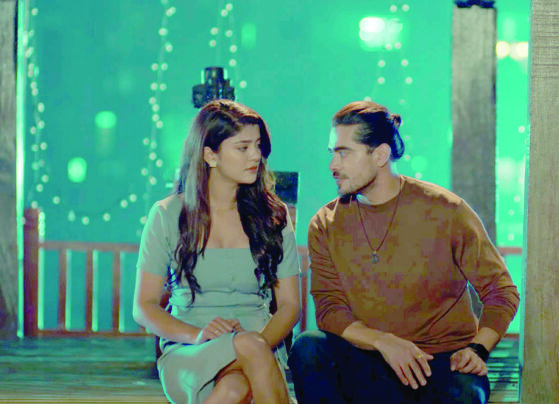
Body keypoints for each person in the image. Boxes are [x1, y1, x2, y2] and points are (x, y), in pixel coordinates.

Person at [288, 100, 519, 404]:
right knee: (308, 348)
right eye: (332, 152)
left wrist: (477, 349)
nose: (333, 165)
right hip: (370, 360)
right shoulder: (326, 223)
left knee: (464, 393)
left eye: (344, 153)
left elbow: (501, 292)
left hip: (441, 364)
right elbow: (329, 310)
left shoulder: (446, 210)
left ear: (380, 155)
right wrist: (384, 342)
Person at [133, 99, 300, 404]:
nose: (255, 156)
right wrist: (196, 335)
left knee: (234, 389)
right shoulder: (167, 215)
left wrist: (256, 346)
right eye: (243, 148)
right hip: (191, 348)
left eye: (258, 146)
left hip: (261, 340)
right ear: (210, 155)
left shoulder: (273, 217)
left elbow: (290, 306)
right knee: (243, 366)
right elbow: (143, 307)